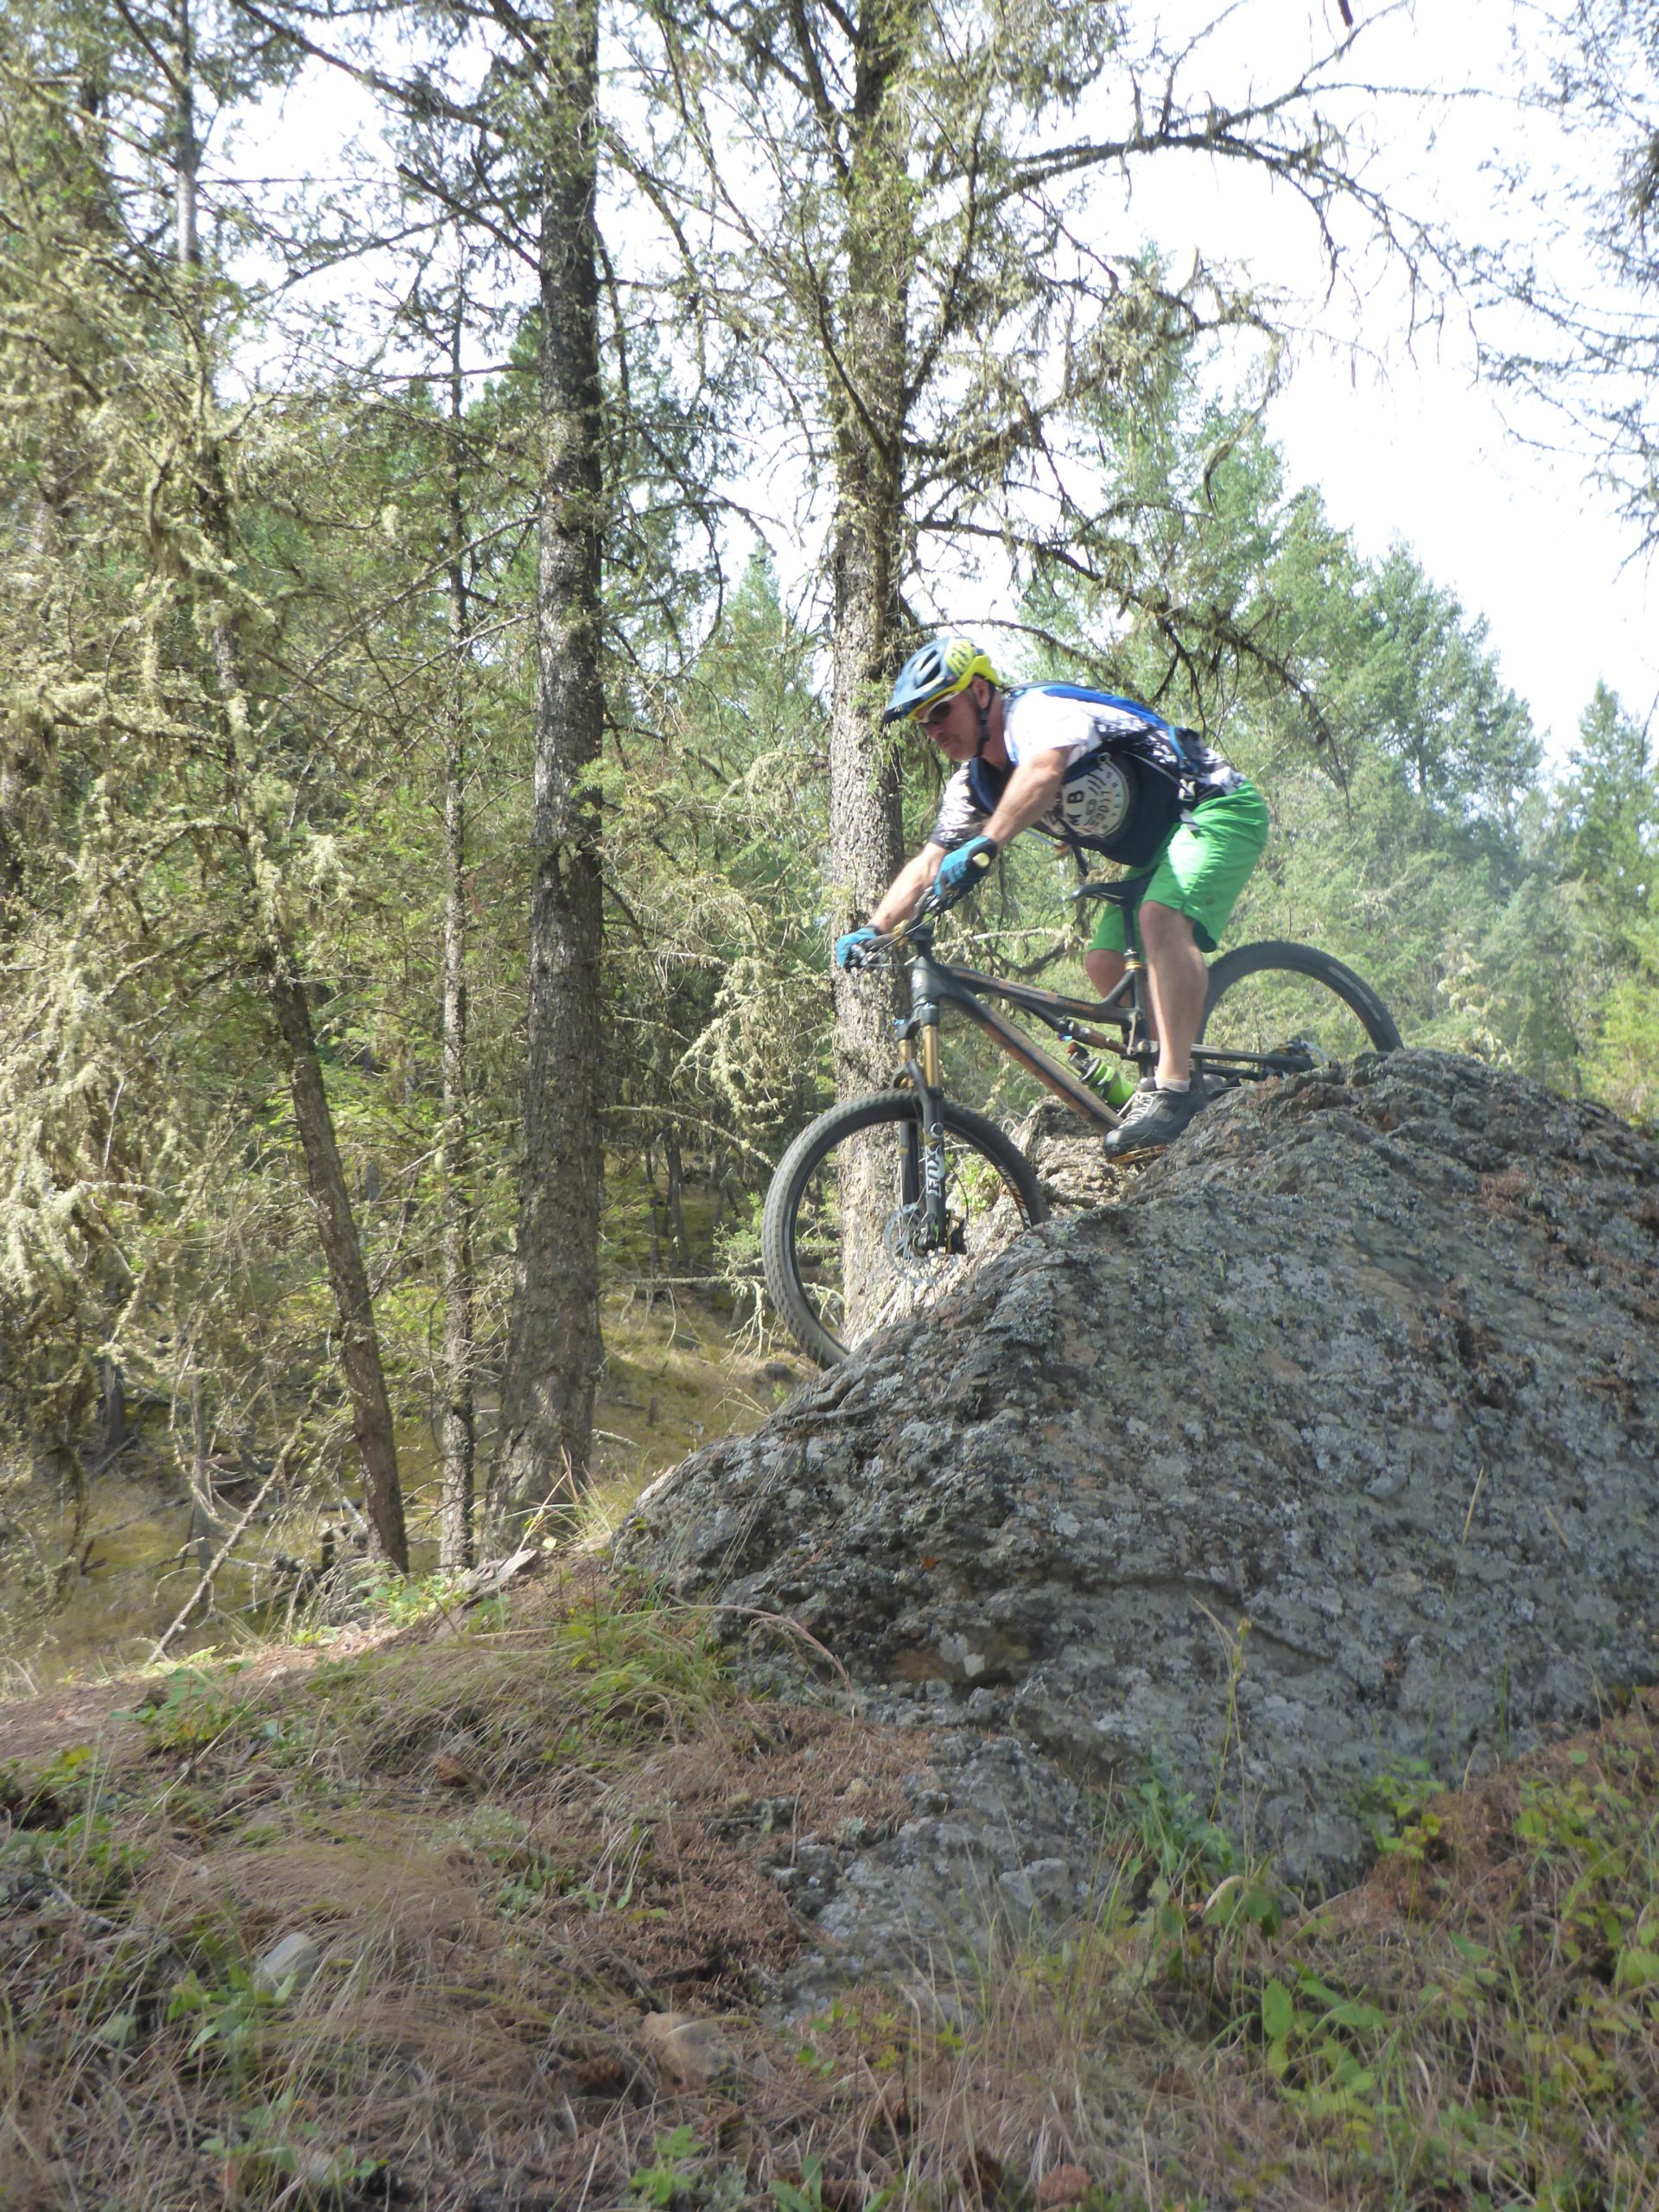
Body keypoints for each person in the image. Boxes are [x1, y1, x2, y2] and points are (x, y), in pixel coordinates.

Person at [834, 636, 1269, 1154]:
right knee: (1106, 964)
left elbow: (1042, 771)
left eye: (941, 711)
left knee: (1158, 918)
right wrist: (876, 927)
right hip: (1159, 849)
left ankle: (1174, 1094)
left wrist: (986, 843)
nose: (934, 730)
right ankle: (1185, 1072)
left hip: (1212, 804)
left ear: (979, 692)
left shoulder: (1036, 714)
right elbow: (929, 862)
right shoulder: (972, 785)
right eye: (923, 723)